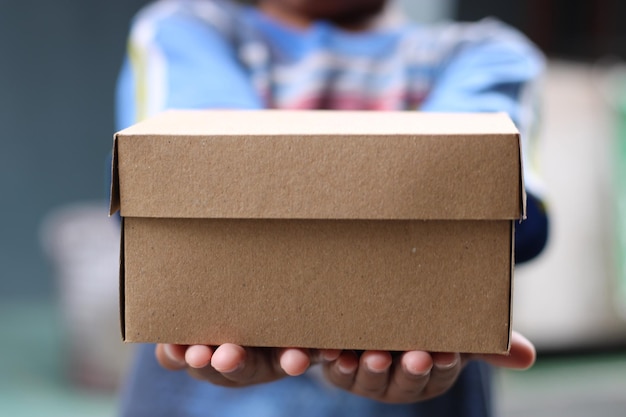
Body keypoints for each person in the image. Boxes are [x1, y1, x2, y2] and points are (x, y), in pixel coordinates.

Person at [114, 0, 549, 415]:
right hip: (207, 382)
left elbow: (510, 216)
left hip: (419, 383)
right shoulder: (188, 27)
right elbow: (185, 171)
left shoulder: (487, 52)